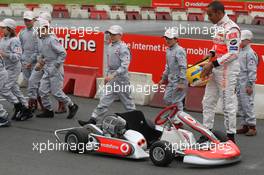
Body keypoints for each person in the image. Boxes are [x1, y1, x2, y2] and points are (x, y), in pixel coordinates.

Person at [199, 1, 241, 143]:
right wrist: (211, 53)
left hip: (227, 71)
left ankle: (231, 138)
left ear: (218, 13)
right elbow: (217, 44)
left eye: (210, 15)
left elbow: (233, 53)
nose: (208, 17)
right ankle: (206, 133)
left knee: (227, 104)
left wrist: (213, 64)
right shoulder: (218, 26)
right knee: (207, 101)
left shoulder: (232, 29)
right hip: (216, 68)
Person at [78, 25, 136, 125]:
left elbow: (125, 65)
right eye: (110, 34)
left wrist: (114, 75)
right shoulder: (110, 46)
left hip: (122, 79)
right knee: (104, 100)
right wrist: (107, 76)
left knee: (128, 103)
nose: (111, 36)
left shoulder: (123, 48)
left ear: (120, 35)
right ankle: (93, 120)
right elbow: (109, 64)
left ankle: (137, 122)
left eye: (114, 34)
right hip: (112, 78)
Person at [35, 19, 78, 119]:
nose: (38, 32)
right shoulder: (42, 40)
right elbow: (42, 54)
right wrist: (39, 63)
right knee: (42, 90)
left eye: (40, 30)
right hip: (47, 67)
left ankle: (72, 105)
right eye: (37, 30)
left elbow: (63, 53)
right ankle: (48, 110)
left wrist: (56, 65)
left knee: (56, 92)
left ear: (46, 29)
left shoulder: (52, 39)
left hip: (56, 68)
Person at [28, 12, 66, 113]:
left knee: (56, 88)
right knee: (33, 81)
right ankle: (35, 103)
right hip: (41, 63)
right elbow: (38, 50)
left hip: (51, 64)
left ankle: (63, 105)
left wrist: (53, 64)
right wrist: (37, 60)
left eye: (40, 20)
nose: (38, 23)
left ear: (48, 22)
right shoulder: (38, 34)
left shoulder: (52, 36)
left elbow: (59, 53)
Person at [0, 18, 33, 121]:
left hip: (14, 68)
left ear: (10, 29)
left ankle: (18, 106)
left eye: (4, 28)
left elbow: (18, 56)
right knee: (15, 89)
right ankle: (26, 107)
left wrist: (5, 54)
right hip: (6, 67)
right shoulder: (3, 39)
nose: (1, 29)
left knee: (4, 88)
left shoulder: (15, 40)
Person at [158, 28, 187, 111]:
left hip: (179, 80)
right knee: (167, 99)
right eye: (166, 38)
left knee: (177, 101)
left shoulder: (179, 50)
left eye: (169, 38)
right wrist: (163, 78)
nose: (167, 40)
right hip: (172, 80)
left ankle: (178, 120)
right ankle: (175, 117)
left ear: (176, 39)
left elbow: (183, 67)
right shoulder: (168, 50)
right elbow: (168, 66)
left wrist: (181, 82)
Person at [236, 30, 258, 136]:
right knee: (241, 105)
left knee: (247, 104)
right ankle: (245, 125)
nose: (240, 42)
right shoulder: (241, 51)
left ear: (248, 40)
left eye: (243, 40)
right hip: (239, 82)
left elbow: (252, 70)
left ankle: (252, 127)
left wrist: (250, 84)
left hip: (246, 83)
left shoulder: (250, 53)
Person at [19, 11, 40, 111]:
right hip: (24, 62)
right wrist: (22, 60)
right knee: (29, 83)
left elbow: (38, 50)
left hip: (34, 63)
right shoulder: (22, 32)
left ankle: (35, 103)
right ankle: (34, 103)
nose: (27, 22)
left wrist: (30, 62)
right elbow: (20, 47)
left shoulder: (37, 32)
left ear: (33, 21)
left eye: (28, 20)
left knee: (34, 84)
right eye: (25, 20)